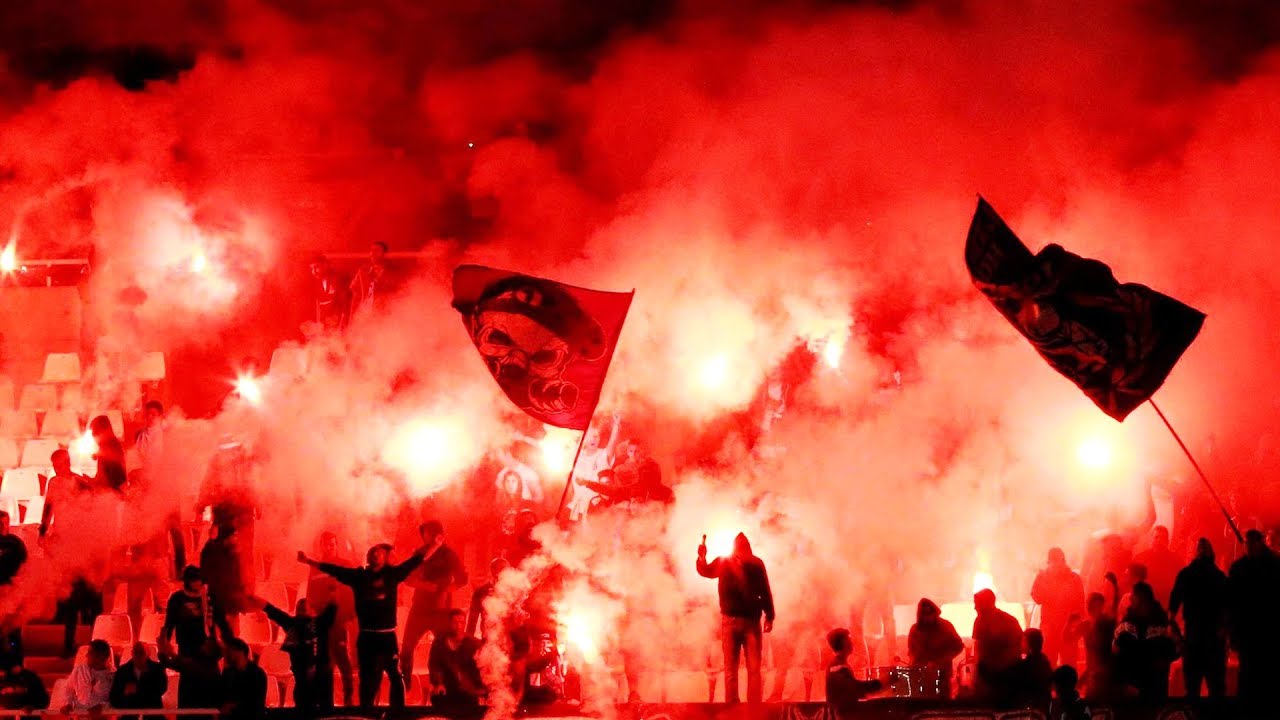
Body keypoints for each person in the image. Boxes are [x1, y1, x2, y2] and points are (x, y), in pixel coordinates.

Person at [299, 540, 430, 707]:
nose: (375, 554)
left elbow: (414, 562)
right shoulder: (359, 576)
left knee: (395, 675)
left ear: (384, 558)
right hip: (367, 636)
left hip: (387, 635)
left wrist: (434, 545)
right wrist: (308, 561)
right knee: (367, 678)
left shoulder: (391, 575)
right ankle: (366, 711)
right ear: (368, 558)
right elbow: (333, 569)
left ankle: (398, 713)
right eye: (372, 552)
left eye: (379, 552)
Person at [696, 532, 775, 704]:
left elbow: (705, 570)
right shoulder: (755, 563)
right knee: (752, 669)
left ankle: (734, 707)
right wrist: (769, 616)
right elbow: (765, 591)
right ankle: (752, 707)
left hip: (732, 622)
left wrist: (702, 558)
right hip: (749, 622)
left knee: (732, 669)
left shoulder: (726, 561)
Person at [402, 520, 468, 679]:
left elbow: (462, 579)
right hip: (419, 608)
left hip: (441, 610)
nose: (426, 536)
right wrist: (424, 585)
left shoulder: (449, 554)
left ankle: (445, 683)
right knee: (407, 648)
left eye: (429, 533)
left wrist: (445, 590)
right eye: (424, 533)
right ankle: (406, 684)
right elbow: (407, 577)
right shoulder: (419, 554)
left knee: (444, 649)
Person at [1168, 537, 1228, 698]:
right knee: (1215, 688)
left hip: (1196, 636)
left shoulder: (1187, 574)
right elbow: (1228, 605)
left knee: (1194, 687)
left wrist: (1172, 625)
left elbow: (1174, 603)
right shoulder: (1218, 576)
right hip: (1210, 637)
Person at [1228, 528, 1280, 704]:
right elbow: (1232, 602)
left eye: (1252, 543)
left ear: (1260, 542)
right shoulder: (1239, 568)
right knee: (1248, 670)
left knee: (1264, 670)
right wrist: (1232, 632)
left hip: (1266, 628)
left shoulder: (1273, 565)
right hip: (1248, 629)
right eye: (1247, 543)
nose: (1248, 546)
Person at [259, 596, 338, 710]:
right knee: (317, 706)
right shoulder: (316, 623)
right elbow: (332, 608)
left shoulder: (295, 624)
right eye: (300, 607)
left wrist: (265, 605)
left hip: (312, 676)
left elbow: (276, 614)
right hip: (314, 676)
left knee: (308, 705)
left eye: (303, 607)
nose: (302, 609)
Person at [306, 531, 356, 706]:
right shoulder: (315, 567)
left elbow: (353, 592)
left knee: (342, 657)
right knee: (324, 661)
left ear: (336, 546)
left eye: (332, 544)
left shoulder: (345, 565)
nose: (329, 548)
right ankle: (327, 702)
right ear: (321, 546)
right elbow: (310, 594)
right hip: (322, 621)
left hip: (339, 619)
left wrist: (350, 615)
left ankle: (348, 697)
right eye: (326, 544)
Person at [1112, 581, 1177, 700]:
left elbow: (1176, 646)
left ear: (1142, 597)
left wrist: (1165, 659)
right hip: (1133, 688)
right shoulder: (1128, 622)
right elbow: (1117, 651)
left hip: (1157, 687)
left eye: (1133, 595)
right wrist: (1124, 683)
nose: (1130, 598)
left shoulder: (1163, 621)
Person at [160, 566, 235, 658]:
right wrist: (164, 644)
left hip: (208, 647)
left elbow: (222, 622)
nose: (197, 583)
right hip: (186, 647)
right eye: (193, 580)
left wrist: (231, 643)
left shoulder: (209, 598)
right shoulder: (177, 599)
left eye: (198, 579)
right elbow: (169, 623)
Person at [1031, 547, 1086, 665]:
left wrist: (1077, 628)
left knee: (1069, 664)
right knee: (1048, 662)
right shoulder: (1043, 577)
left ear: (1063, 561)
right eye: (1052, 562)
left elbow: (1081, 604)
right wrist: (1043, 584)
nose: (1055, 565)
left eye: (1057, 561)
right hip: (1049, 628)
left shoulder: (1074, 579)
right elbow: (1036, 597)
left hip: (1068, 629)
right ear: (1049, 563)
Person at [566, 414, 621, 520]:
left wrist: (616, 425)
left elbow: (613, 442)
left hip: (596, 510)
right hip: (576, 509)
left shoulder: (604, 455)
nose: (593, 439)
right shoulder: (576, 455)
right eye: (590, 436)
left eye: (596, 436)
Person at [971, 589, 1023, 703]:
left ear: (986, 604)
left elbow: (1019, 645)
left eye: (977, 604)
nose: (975, 607)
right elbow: (978, 647)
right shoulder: (980, 621)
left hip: (1004, 676)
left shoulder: (1007, 621)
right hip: (990, 675)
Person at [428, 609, 485, 709]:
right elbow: (434, 665)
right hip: (447, 689)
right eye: (455, 623)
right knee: (437, 698)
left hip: (468, 691)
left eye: (462, 623)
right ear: (449, 623)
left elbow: (482, 667)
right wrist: (438, 683)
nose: (459, 626)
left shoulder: (474, 644)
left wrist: (479, 687)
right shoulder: (439, 643)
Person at [907, 598, 964, 697]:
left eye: (930, 613)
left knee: (942, 702)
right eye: (924, 614)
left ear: (935, 613)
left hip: (942, 675)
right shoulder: (915, 629)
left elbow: (958, 646)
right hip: (921, 676)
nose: (927, 617)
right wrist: (914, 663)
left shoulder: (945, 626)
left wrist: (940, 661)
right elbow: (912, 650)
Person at [824, 628, 883, 718]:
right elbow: (854, 687)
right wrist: (880, 683)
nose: (852, 643)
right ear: (844, 642)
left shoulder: (838, 664)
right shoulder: (837, 666)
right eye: (849, 639)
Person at [200, 521, 249, 625]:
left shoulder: (233, 552)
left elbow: (238, 576)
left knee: (232, 627)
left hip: (232, 600)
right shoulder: (211, 550)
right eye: (233, 536)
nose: (236, 538)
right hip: (219, 599)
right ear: (226, 537)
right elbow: (206, 574)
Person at [159, 636, 223, 710]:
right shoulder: (208, 665)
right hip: (197, 708)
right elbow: (181, 664)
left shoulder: (206, 666)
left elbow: (183, 664)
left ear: (210, 650)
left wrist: (168, 652)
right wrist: (167, 653)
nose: (203, 645)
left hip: (197, 709)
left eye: (206, 644)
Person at [111, 642, 168, 715]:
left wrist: (137, 688)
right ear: (132, 653)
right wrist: (124, 693)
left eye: (141, 652)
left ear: (148, 653)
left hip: (152, 713)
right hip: (130, 714)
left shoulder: (158, 669)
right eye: (136, 652)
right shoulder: (122, 671)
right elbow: (114, 697)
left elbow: (162, 689)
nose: (138, 655)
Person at [0, 511, 27, 664]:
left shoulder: (15, 543)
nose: (2, 527)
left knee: (13, 631)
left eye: (4, 523)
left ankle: (17, 663)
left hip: (12, 591)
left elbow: (25, 566)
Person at [221, 638, 268, 720]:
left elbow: (256, 703)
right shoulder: (228, 673)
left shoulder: (257, 674)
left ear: (240, 651)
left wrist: (233, 706)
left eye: (228, 651)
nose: (225, 655)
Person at [63, 639, 114, 715]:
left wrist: (102, 706)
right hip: (79, 715)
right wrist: (69, 704)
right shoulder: (79, 670)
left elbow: (114, 699)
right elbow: (69, 689)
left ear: (101, 656)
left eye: (90, 653)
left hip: (99, 717)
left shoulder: (112, 676)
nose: (86, 655)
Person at [1135, 526, 1181, 607]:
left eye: (1163, 538)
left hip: (1166, 602)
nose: (1159, 540)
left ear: (1167, 541)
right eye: (1156, 537)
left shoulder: (1176, 560)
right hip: (1144, 602)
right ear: (1151, 539)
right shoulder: (1140, 558)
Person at [467, 558, 509, 638]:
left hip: (509, 637)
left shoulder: (513, 591)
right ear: (494, 571)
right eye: (503, 569)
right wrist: (469, 639)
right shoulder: (481, 591)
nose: (508, 572)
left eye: (507, 569)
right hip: (488, 637)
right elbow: (472, 620)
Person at [309, 254, 350, 329]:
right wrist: (319, 326)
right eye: (311, 269)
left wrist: (342, 326)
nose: (314, 272)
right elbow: (319, 308)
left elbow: (345, 305)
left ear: (325, 265)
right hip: (327, 326)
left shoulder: (338, 279)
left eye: (316, 267)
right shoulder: (316, 284)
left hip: (341, 325)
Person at [1015, 628, 1053, 707]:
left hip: (1034, 707)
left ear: (1028, 642)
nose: (1020, 643)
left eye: (1022, 640)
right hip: (1044, 705)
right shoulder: (1043, 660)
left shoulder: (1028, 664)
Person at [349, 240, 388, 315]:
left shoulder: (391, 272)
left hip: (384, 313)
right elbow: (355, 295)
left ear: (384, 254)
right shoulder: (363, 271)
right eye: (371, 250)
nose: (373, 253)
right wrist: (353, 315)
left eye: (377, 250)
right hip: (366, 313)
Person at [90, 414, 127, 491]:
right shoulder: (106, 448)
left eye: (95, 433)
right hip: (110, 492)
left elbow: (112, 480)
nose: (94, 437)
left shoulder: (110, 448)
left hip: (112, 494)